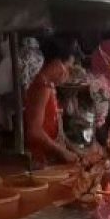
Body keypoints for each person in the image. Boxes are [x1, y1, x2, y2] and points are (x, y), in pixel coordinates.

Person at [24, 37, 81, 166]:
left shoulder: (48, 85)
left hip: (47, 158)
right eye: (67, 67)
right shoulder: (42, 86)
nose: (66, 73)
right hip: (40, 160)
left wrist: (73, 149)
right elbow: (34, 131)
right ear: (57, 64)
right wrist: (62, 152)